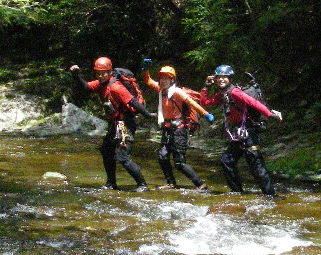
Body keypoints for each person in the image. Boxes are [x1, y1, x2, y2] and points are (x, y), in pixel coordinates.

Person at [70, 57, 153, 191]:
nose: (101, 76)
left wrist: (148, 115)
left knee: (122, 157)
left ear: (109, 72)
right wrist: (76, 75)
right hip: (115, 124)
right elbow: (85, 87)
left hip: (124, 124)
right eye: (98, 73)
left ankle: (142, 184)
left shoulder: (116, 87)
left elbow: (133, 102)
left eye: (104, 73)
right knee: (106, 150)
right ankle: (111, 183)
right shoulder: (100, 84)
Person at [198, 64, 283, 196]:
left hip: (249, 130)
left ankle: (271, 196)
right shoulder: (221, 95)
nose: (221, 80)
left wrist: (269, 114)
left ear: (230, 79)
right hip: (238, 133)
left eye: (224, 77)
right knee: (226, 161)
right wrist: (206, 86)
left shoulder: (235, 92)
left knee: (255, 165)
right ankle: (237, 192)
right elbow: (205, 103)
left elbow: (253, 103)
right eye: (218, 77)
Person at [140, 59, 216, 190]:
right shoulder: (160, 90)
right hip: (167, 129)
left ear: (172, 80)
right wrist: (145, 69)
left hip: (179, 130)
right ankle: (171, 183)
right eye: (161, 78)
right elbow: (147, 80)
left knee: (179, 162)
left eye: (166, 78)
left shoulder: (177, 92)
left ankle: (200, 184)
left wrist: (205, 114)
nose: (163, 81)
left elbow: (192, 103)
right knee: (162, 157)